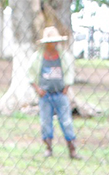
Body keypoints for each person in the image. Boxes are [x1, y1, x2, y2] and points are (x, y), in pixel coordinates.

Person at [30, 26, 79, 160]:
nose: (55, 44)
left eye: (56, 41)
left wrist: (67, 87)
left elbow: (69, 72)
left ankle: (72, 149)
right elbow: (31, 74)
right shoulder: (38, 57)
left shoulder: (63, 56)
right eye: (52, 41)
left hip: (60, 94)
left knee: (66, 121)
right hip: (45, 95)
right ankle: (48, 148)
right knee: (45, 122)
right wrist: (37, 89)